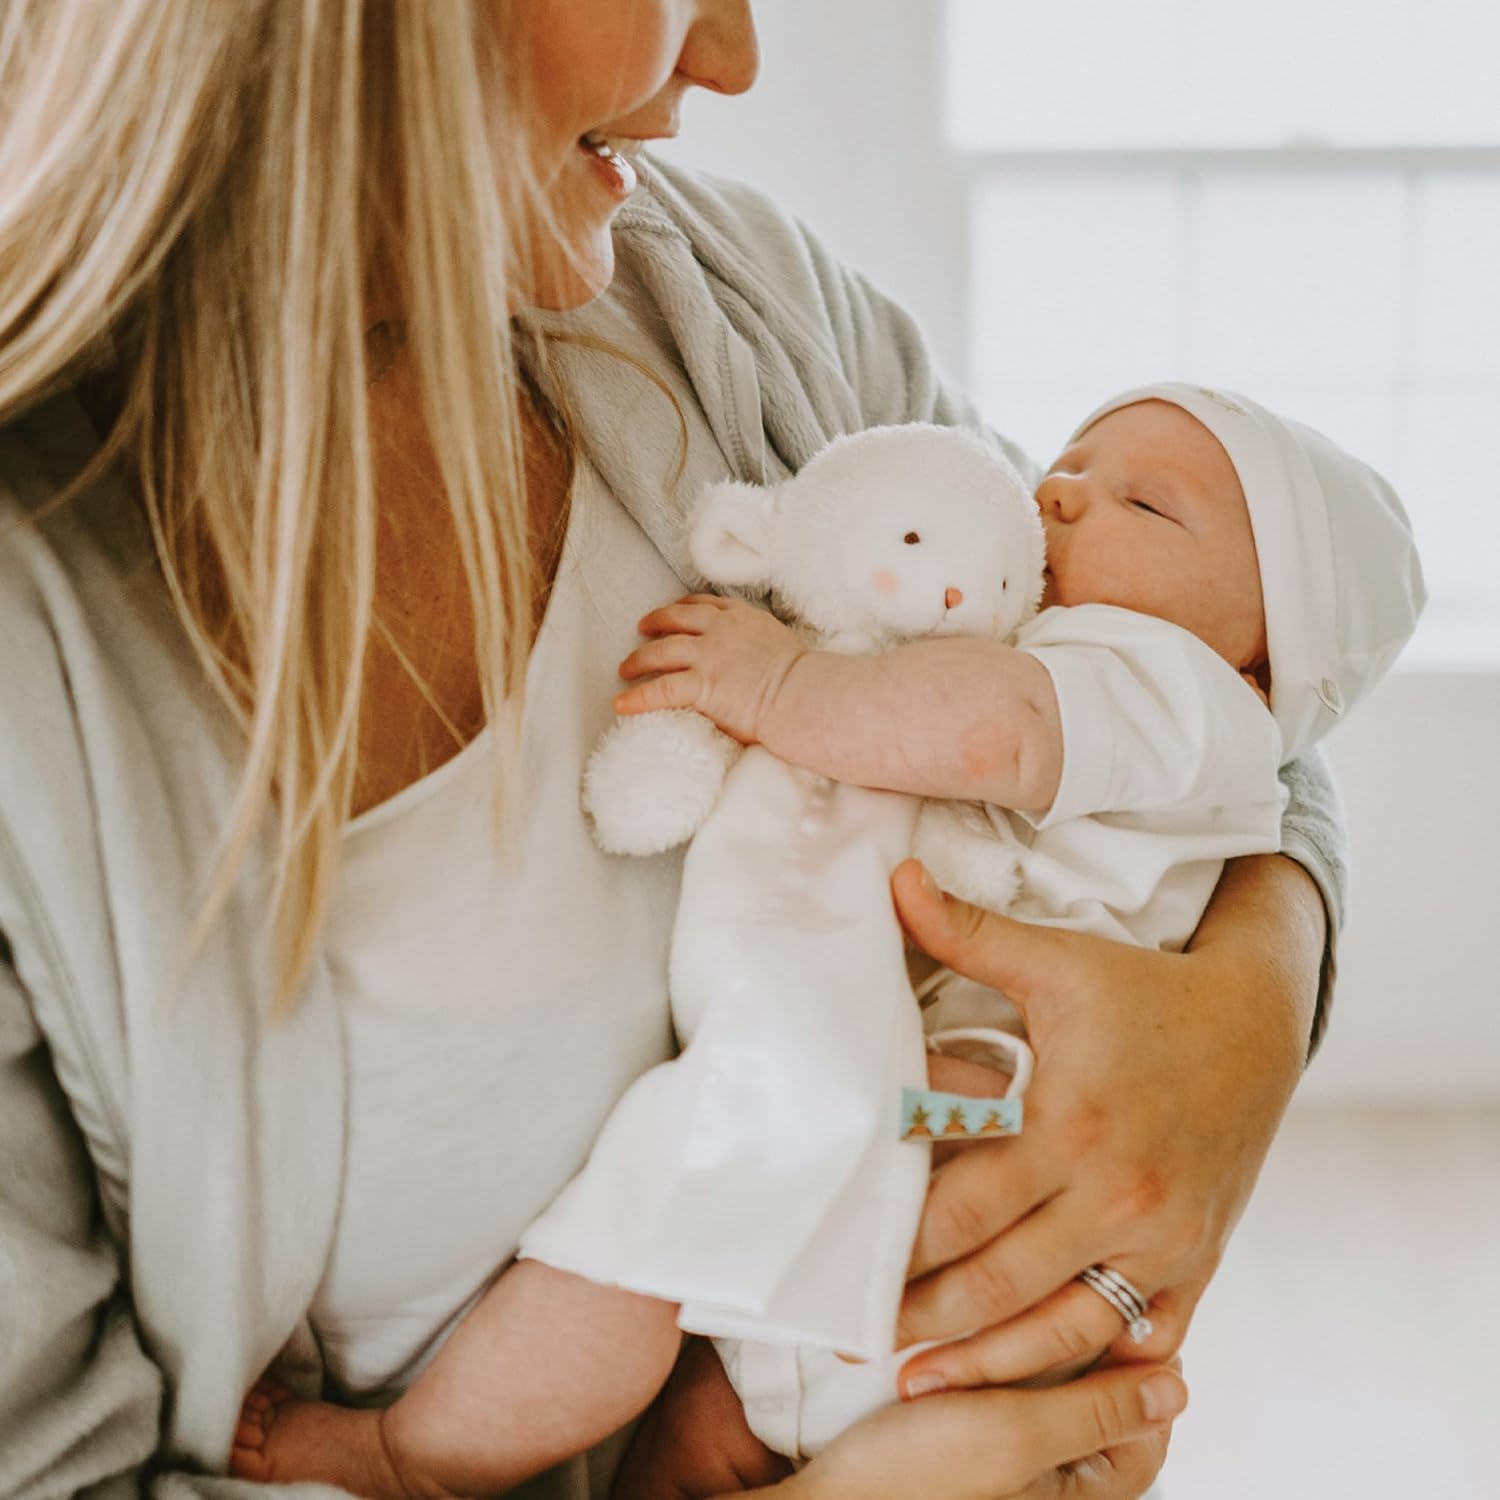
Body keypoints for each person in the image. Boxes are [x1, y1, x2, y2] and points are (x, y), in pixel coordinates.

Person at [0, 4, 1342, 1499]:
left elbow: (1194, 662)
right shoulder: (39, 651)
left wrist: (1243, 1019)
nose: (731, 53)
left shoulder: (725, 292)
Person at [225, 386, 1420, 1494]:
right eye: (1069, 460)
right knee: (696, 1382)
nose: (1055, 493)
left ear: (1262, 665)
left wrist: (781, 686)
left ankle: (410, 1456)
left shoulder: (1176, 695)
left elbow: (985, 735)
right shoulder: (1107, 666)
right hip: (931, 1198)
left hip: (956, 1124)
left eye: (1145, 504)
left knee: (649, 1239)